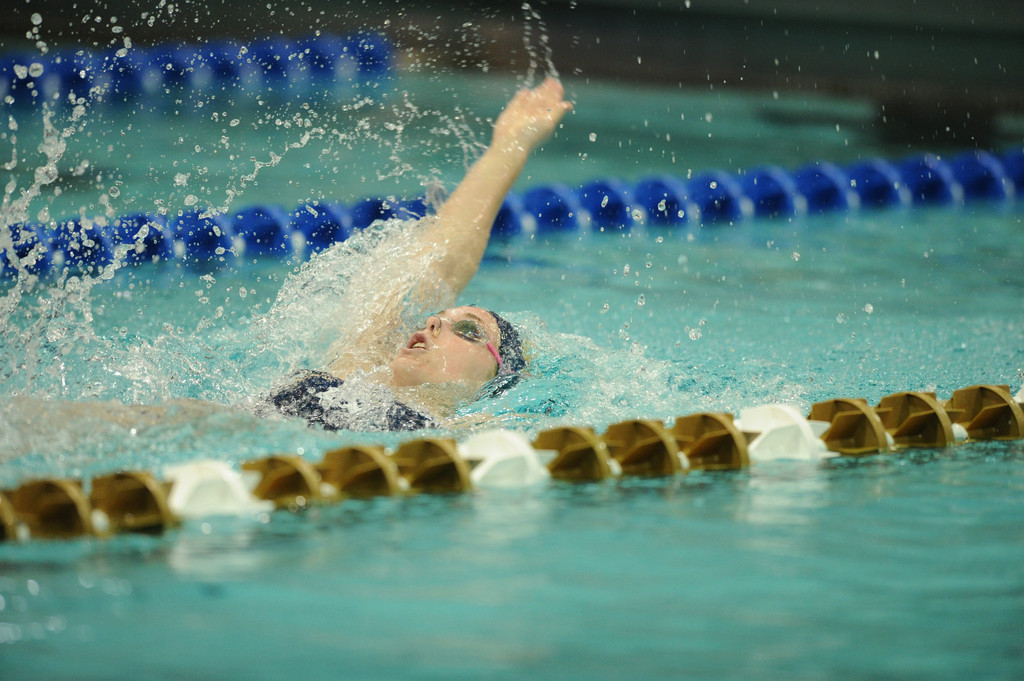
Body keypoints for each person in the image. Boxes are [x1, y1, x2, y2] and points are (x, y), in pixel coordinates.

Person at [270, 77, 573, 432]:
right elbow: (441, 261)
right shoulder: (350, 377)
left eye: (468, 330)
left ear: (492, 380)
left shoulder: (460, 435)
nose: (432, 322)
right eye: (436, 318)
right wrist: (509, 144)